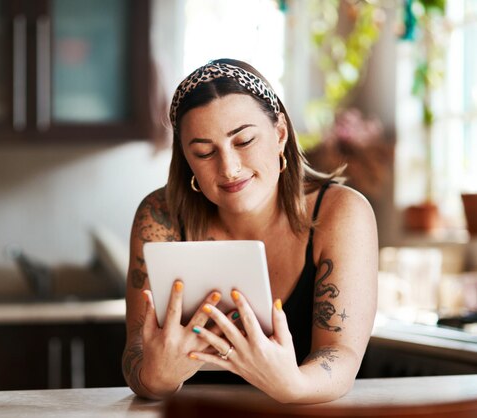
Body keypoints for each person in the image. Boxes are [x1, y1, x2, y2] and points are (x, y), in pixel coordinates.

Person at [122, 58, 378, 404]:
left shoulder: (342, 213)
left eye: (243, 141)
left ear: (280, 134)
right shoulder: (159, 216)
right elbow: (135, 353)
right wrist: (155, 379)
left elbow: (341, 355)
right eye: (204, 151)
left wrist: (293, 385)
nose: (229, 168)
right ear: (186, 159)